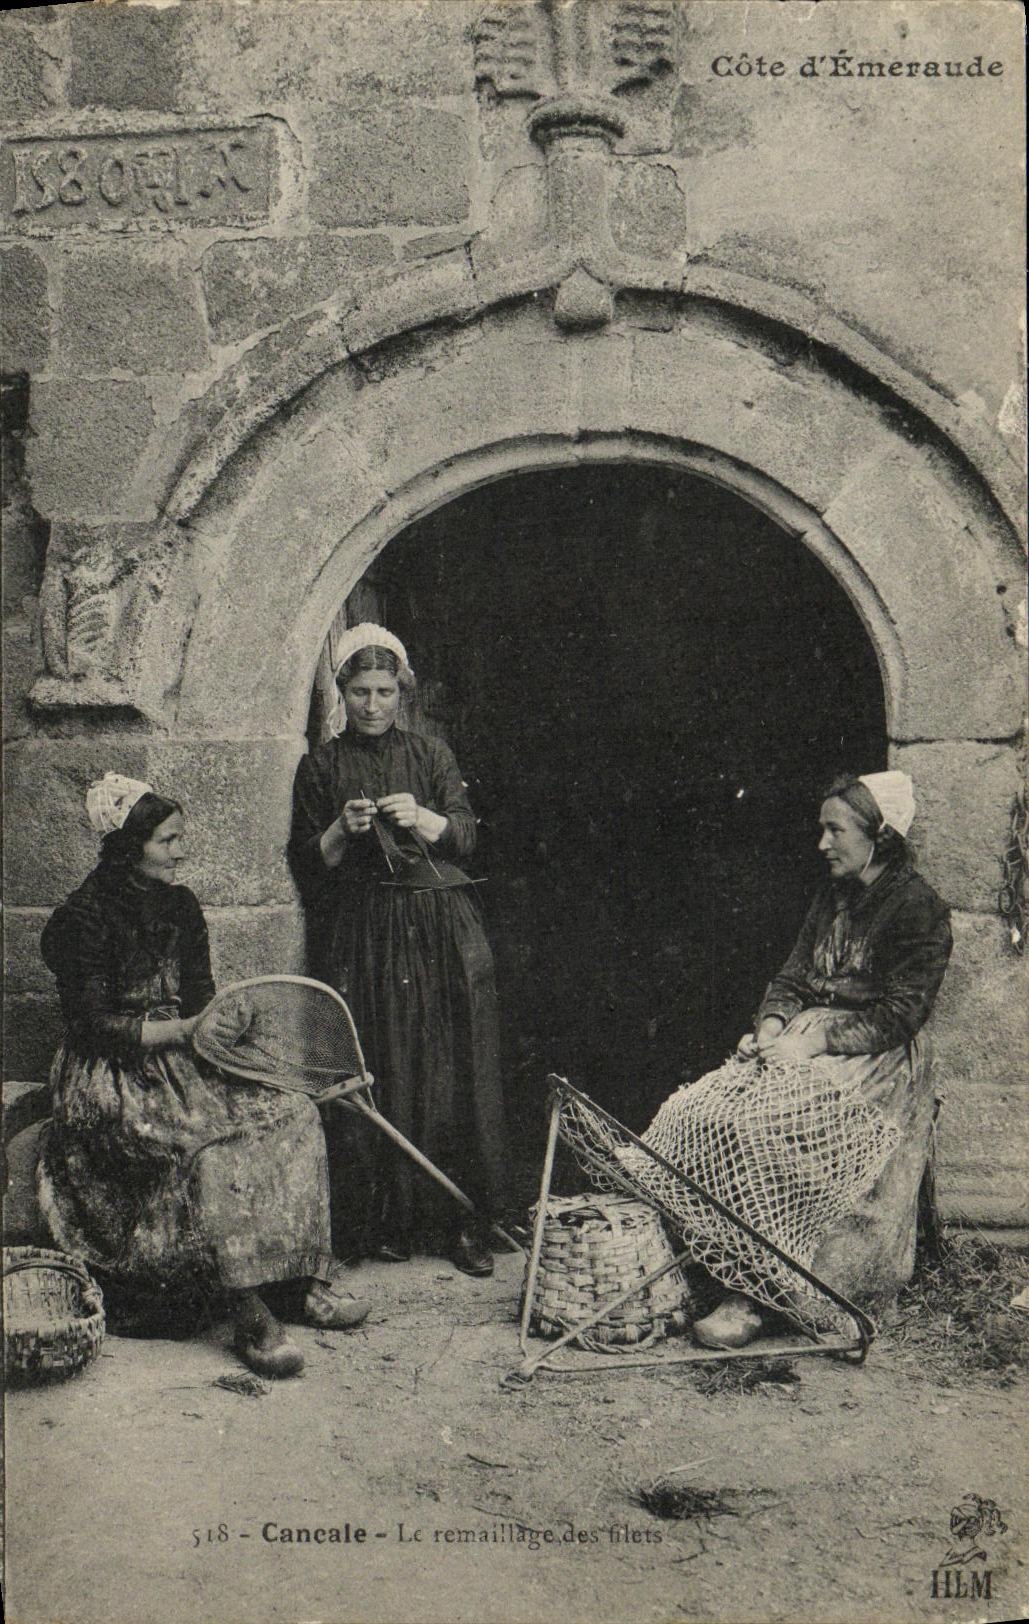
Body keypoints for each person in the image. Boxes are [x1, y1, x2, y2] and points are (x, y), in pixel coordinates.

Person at [37, 772, 371, 1380]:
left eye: (179, 838)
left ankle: (303, 1282)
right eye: (168, 841)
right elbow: (92, 1028)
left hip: (187, 1058)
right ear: (129, 845)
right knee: (199, 1144)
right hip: (112, 1074)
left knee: (292, 1111)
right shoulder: (80, 919)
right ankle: (246, 1311)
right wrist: (183, 1032)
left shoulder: (181, 905)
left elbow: (201, 996)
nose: (180, 851)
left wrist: (223, 1019)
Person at [689, 769, 953, 1348]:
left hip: (874, 1055)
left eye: (835, 830)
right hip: (806, 1039)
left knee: (777, 1132)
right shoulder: (832, 895)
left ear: (879, 837)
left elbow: (900, 1016)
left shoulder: (919, 909)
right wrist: (771, 1026)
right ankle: (723, 1268)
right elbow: (792, 974)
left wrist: (810, 1042)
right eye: (822, 830)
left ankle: (766, 1298)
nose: (822, 844)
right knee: (714, 1114)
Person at [288, 625, 507, 1276]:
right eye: (360, 691)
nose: (373, 705)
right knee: (381, 1061)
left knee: (450, 1063)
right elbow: (306, 864)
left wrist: (423, 819)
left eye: (385, 691)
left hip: (439, 924)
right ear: (343, 692)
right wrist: (338, 830)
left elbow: (467, 837)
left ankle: (462, 1220)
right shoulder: (321, 766)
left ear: (402, 691)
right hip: (367, 930)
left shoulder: (430, 754)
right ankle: (385, 1221)